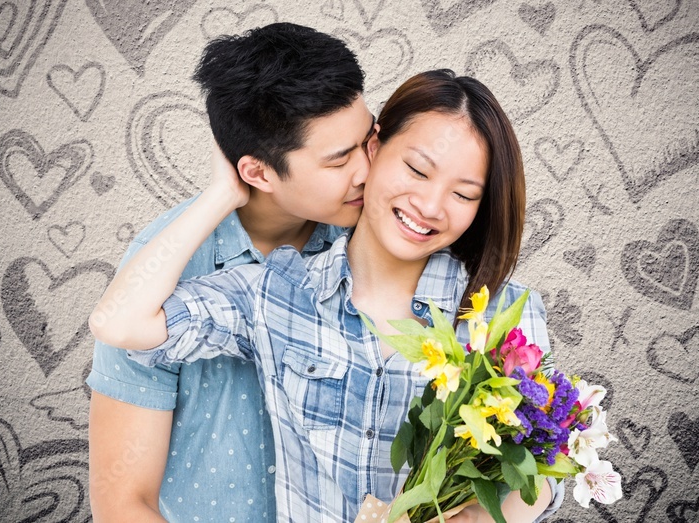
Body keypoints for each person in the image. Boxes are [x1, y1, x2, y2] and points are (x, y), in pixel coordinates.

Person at [91, 70, 565, 522]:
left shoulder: (503, 314)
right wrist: (221, 191)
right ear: (373, 150)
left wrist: (483, 517)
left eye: (464, 195)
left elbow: (544, 468)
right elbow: (120, 323)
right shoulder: (277, 292)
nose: (431, 206)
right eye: (418, 170)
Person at [86, 23, 375, 522]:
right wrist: (220, 195)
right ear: (257, 172)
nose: (367, 170)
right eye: (338, 160)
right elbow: (121, 502)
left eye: (368, 139)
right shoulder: (160, 275)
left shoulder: (377, 239)